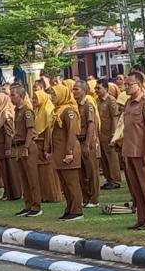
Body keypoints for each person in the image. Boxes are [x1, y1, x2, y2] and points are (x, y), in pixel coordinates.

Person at [120, 72, 145, 230]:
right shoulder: (129, 103)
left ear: (140, 85)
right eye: (125, 85)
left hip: (142, 151)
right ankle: (141, 217)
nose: (126, 87)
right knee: (136, 188)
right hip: (129, 150)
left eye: (130, 84)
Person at [49, 84, 83, 221]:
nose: (52, 97)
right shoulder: (57, 111)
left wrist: (69, 152)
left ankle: (77, 210)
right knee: (64, 184)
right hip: (59, 153)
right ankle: (69, 208)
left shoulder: (69, 111)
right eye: (51, 95)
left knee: (72, 183)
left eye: (54, 94)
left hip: (68, 152)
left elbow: (71, 133)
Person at [10, 83, 42, 217]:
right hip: (18, 146)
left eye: (13, 95)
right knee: (23, 178)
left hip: (26, 146)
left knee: (32, 178)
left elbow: (30, 131)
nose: (11, 98)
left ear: (21, 96)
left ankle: (36, 206)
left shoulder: (27, 111)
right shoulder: (17, 111)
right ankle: (28, 204)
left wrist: (26, 148)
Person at [73, 80, 100, 208]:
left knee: (91, 171)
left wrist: (87, 144)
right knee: (81, 172)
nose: (74, 92)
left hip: (87, 140)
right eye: (73, 89)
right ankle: (86, 198)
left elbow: (91, 125)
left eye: (77, 89)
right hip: (79, 140)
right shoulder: (75, 105)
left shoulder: (88, 105)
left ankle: (94, 199)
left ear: (84, 91)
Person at [0, 92, 22, 201]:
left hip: (6, 147)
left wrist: (8, 147)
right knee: (4, 172)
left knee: (11, 172)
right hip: (0, 147)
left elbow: (9, 132)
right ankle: (7, 193)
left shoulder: (6, 113)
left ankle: (15, 193)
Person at [33, 89, 62, 203]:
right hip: (38, 144)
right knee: (41, 172)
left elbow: (47, 132)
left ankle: (53, 195)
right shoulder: (37, 110)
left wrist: (46, 148)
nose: (34, 100)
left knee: (48, 171)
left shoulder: (46, 110)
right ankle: (44, 195)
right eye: (33, 98)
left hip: (44, 144)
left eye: (36, 98)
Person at [95, 79, 122, 190]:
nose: (96, 90)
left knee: (112, 158)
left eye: (99, 88)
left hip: (109, 134)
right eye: (96, 88)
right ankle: (109, 179)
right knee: (104, 159)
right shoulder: (97, 101)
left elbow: (115, 118)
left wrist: (114, 134)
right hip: (101, 134)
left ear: (106, 89)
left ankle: (115, 181)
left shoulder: (111, 101)